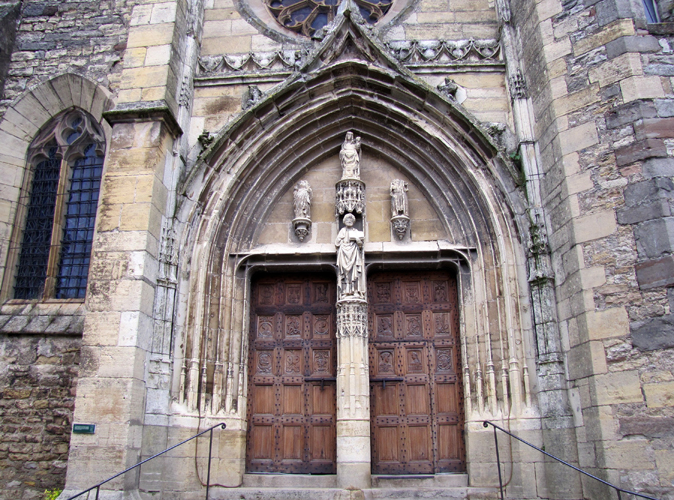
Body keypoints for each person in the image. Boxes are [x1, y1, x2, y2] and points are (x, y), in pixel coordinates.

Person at [336, 213, 364, 298]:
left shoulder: (356, 232)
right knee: (345, 273)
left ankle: (355, 291)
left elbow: (360, 246)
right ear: (344, 221)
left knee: (355, 272)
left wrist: (358, 241)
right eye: (347, 219)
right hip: (344, 253)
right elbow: (337, 243)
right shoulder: (342, 231)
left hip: (354, 252)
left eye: (351, 220)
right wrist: (342, 242)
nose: (349, 221)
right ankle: (345, 291)